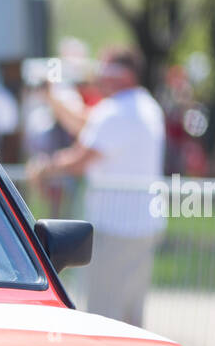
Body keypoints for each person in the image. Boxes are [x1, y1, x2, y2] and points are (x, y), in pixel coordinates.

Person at [27, 45, 166, 326]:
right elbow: (88, 127)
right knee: (131, 316)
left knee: (104, 315)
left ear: (122, 74)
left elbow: (81, 158)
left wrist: (45, 167)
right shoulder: (142, 105)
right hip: (142, 226)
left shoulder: (116, 111)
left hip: (115, 228)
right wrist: (55, 97)